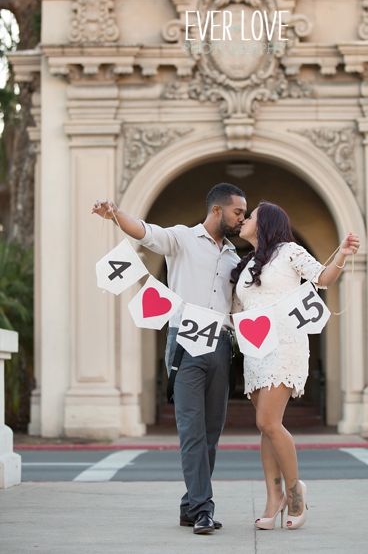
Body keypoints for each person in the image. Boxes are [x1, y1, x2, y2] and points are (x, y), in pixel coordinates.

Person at [92, 183, 247, 535]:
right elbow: (146, 233)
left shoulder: (234, 258)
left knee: (210, 432)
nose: (243, 218)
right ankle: (204, 508)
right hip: (185, 344)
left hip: (222, 346)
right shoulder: (181, 238)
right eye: (238, 212)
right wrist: (115, 214)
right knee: (191, 428)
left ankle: (189, 505)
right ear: (217, 211)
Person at [231, 201, 359, 530]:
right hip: (255, 350)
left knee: (268, 421)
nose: (243, 220)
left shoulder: (289, 252)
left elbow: (323, 277)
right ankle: (273, 499)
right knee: (266, 427)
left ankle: (295, 492)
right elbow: (237, 310)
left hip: (285, 346)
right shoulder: (246, 265)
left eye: (251, 217)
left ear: (266, 224)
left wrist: (341, 253)